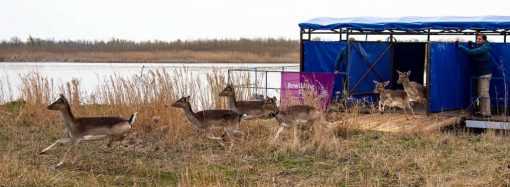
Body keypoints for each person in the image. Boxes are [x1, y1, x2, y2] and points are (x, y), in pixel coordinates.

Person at [456, 34, 492, 118]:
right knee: (481, 93)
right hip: (481, 73)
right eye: (477, 39)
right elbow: (475, 50)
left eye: (479, 39)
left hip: (485, 73)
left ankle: (487, 113)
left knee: (484, 93)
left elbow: (473, 52)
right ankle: (482, 111)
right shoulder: (482, 46)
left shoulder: (484, 47)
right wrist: (472, 45)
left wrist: (460, 46)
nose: (477, 40)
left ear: (484, 40)